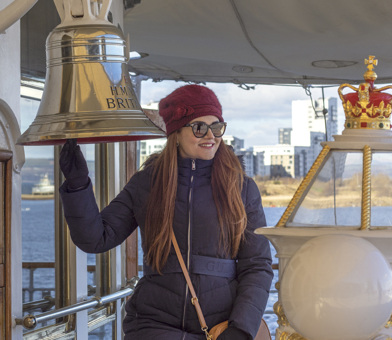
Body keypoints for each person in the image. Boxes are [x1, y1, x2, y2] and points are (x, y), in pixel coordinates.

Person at [59, 85, 273, 340]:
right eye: (199, 127)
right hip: (153, 325)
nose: (211, 136)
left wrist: (240, 328)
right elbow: (95, 238)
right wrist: (78, 184)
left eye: (216, 127)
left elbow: (257, 265)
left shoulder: (242, 188)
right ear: (176, 133)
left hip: (220, 327)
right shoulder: (146, 183)